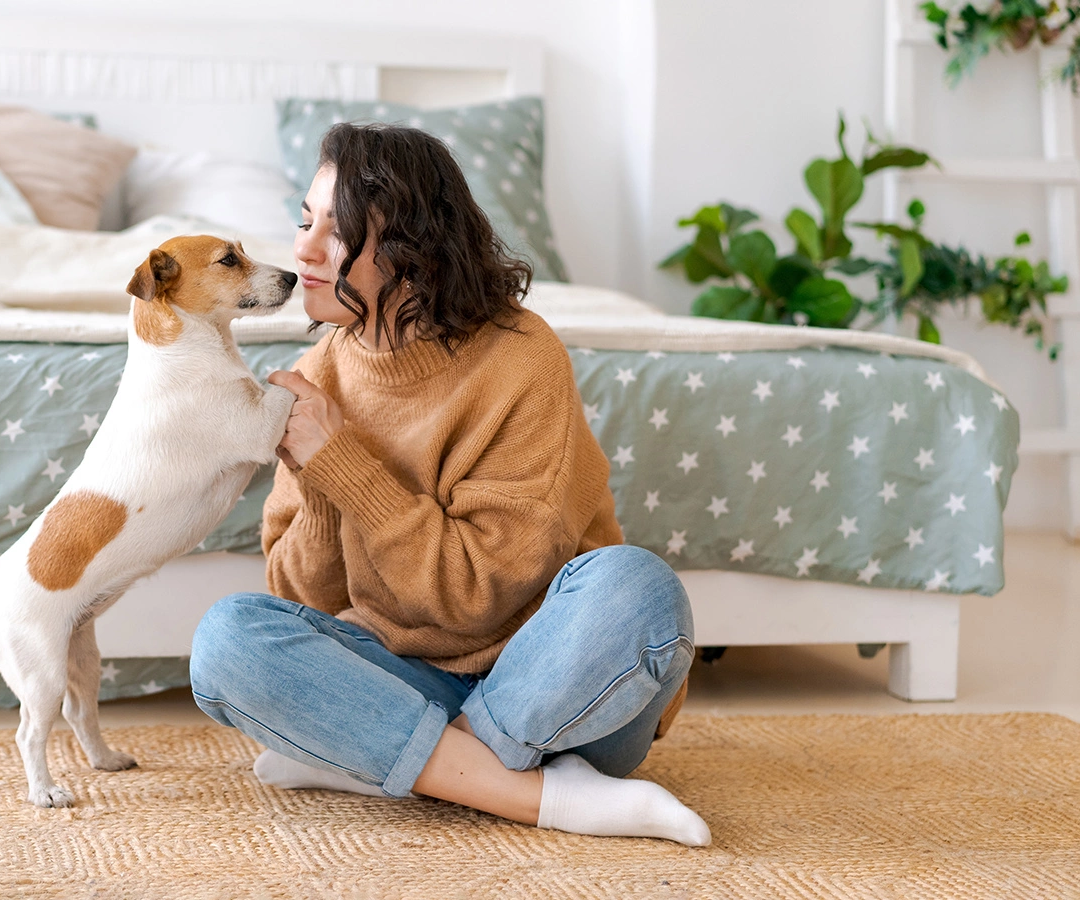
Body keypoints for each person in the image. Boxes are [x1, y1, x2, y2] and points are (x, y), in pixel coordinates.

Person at [188, 123, 708, 846]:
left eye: (336, 233)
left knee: (639, 588)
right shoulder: (320, 376)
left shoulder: (522, 359)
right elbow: (305, 601)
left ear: (411, 250)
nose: (302, 250)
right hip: (407, 677)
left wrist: (343, 465)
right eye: (306, 222)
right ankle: (548, 797)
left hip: (563, 685)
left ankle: (391, 758)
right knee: (227, 640)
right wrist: (316, 486)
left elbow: (478, 596)